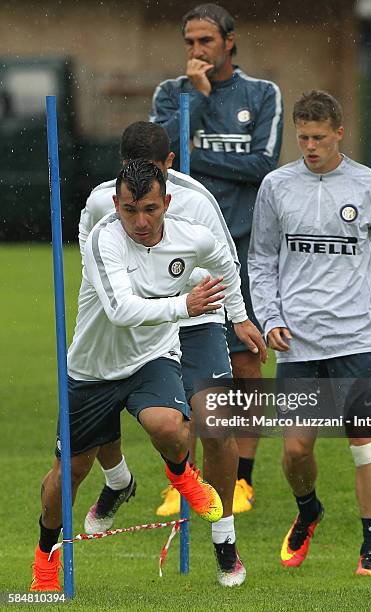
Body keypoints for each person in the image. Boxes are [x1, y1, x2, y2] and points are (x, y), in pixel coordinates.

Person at [31, 160, 266, 591]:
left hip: (151, 358)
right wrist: (183, 307)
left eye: (151, 209)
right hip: (93, 370)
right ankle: (46, 553)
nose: (140, 221)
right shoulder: (106, 238)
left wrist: (239, 316)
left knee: (170, 425)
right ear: (117, 205)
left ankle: (181, 475)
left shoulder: (191, 236)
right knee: (67, 476)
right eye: (130, 209)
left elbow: (226, 264)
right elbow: (121, 312)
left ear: (167, 204)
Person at [248, 90, 371, 576]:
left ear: (340, 132)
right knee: (296, 448)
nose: (311, 146)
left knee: (365, 444)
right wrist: (271, 318)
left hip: (358, 338)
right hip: (297, 342)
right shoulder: (276, 186)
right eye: (303, 138)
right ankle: (308, 510)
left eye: (320, 137)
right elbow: (261, 259)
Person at [150, 3, 283, 511]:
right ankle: (183, 479)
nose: (196, 52)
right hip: (179, 248)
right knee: (182, 360)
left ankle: (242, 477)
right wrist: (198, 101)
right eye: (189, 43)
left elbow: (262, 167)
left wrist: (193, 156)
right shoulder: (171, 93)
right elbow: (155, 160)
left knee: (246, 361)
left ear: (230, 41)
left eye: (205, 41)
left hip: (243, 244)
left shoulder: (262, 94)